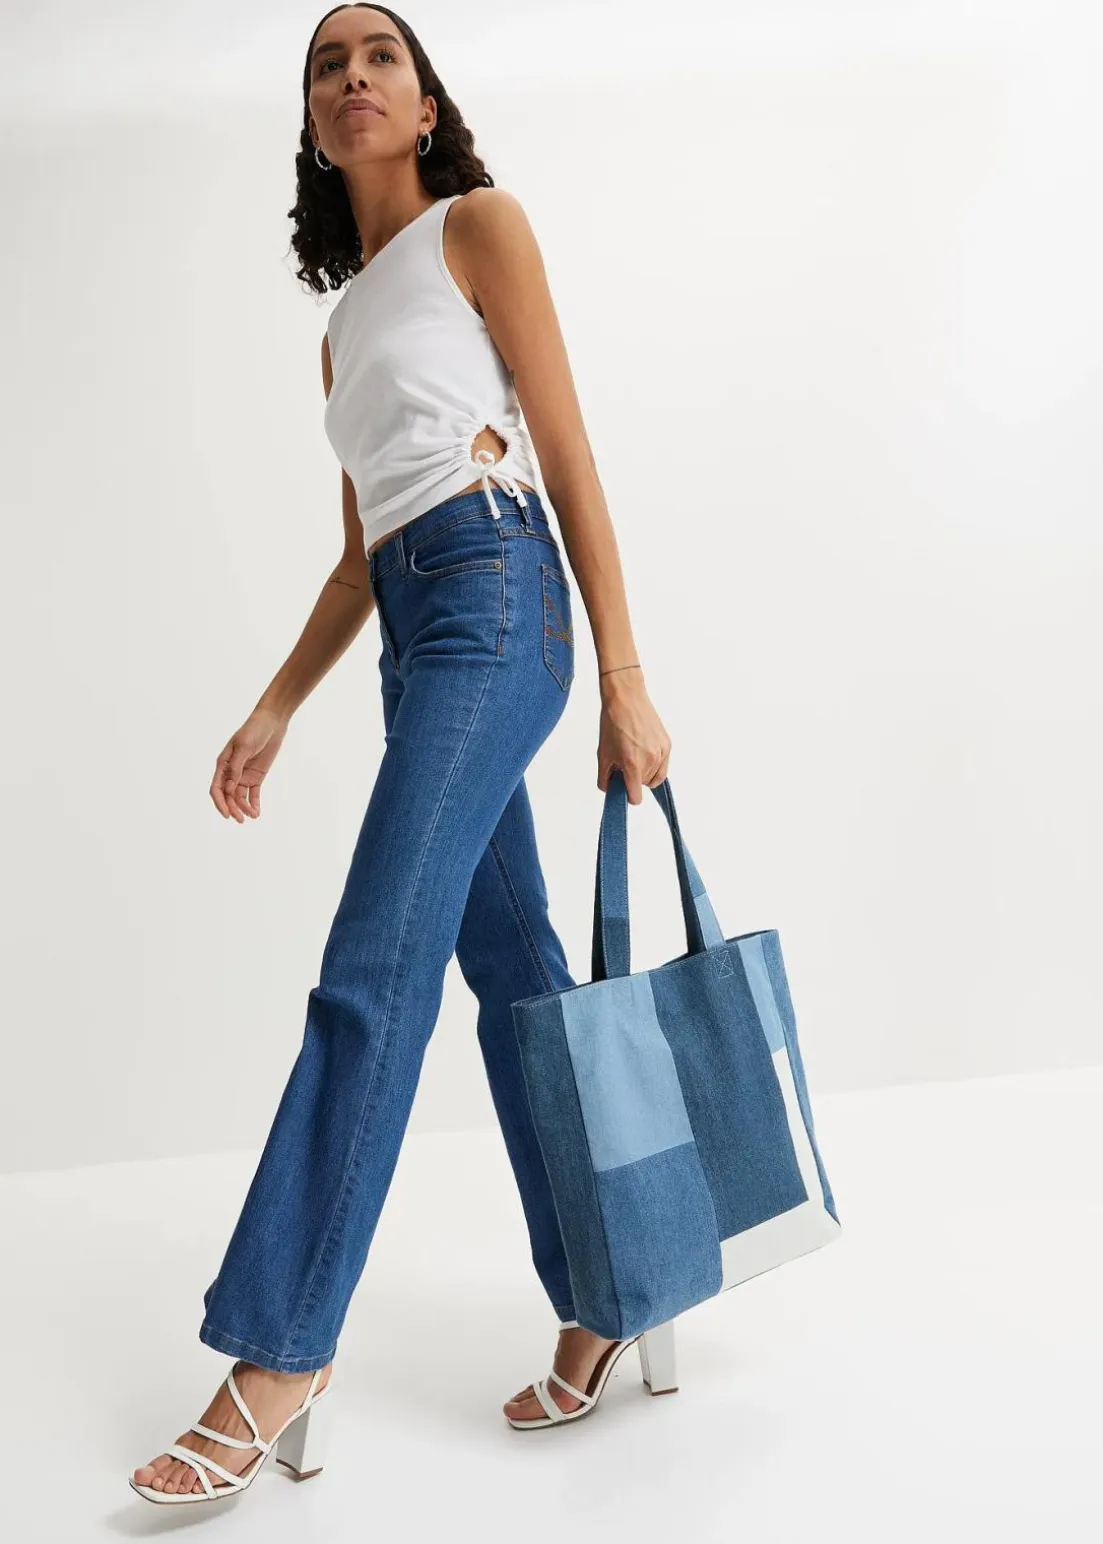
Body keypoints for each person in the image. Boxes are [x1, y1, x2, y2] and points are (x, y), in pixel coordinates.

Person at [131, 3, 672, 1503]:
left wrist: (625, 678)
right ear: (313, 122)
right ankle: (620, 1292)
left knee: (371, 972)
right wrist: (274, 705)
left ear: (424, 104)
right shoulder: (342, 330)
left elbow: (567, 452)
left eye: (382, 56)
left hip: (502, 602)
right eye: (329, 64)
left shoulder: (478, 229)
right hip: (415, 630)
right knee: (518, 982)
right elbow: (360, 556)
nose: (355, 75)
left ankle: (279, 1353)